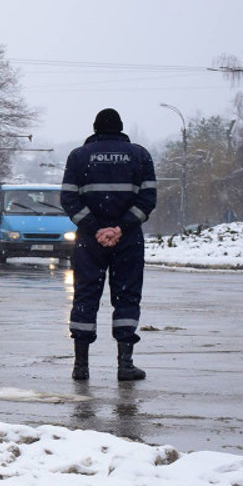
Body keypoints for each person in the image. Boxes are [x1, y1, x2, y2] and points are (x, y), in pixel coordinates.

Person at [60, 108, 157, 381]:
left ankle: (81, 366)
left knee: (85, 296)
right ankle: (125, 365)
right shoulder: (140, 156)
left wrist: (96, 228)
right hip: (128, 240)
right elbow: (148, 199)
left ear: (95, 129)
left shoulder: (79, 157)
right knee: (126, 296)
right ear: (121, 129)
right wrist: (120, 228)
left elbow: (68, 199)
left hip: (90, 241)